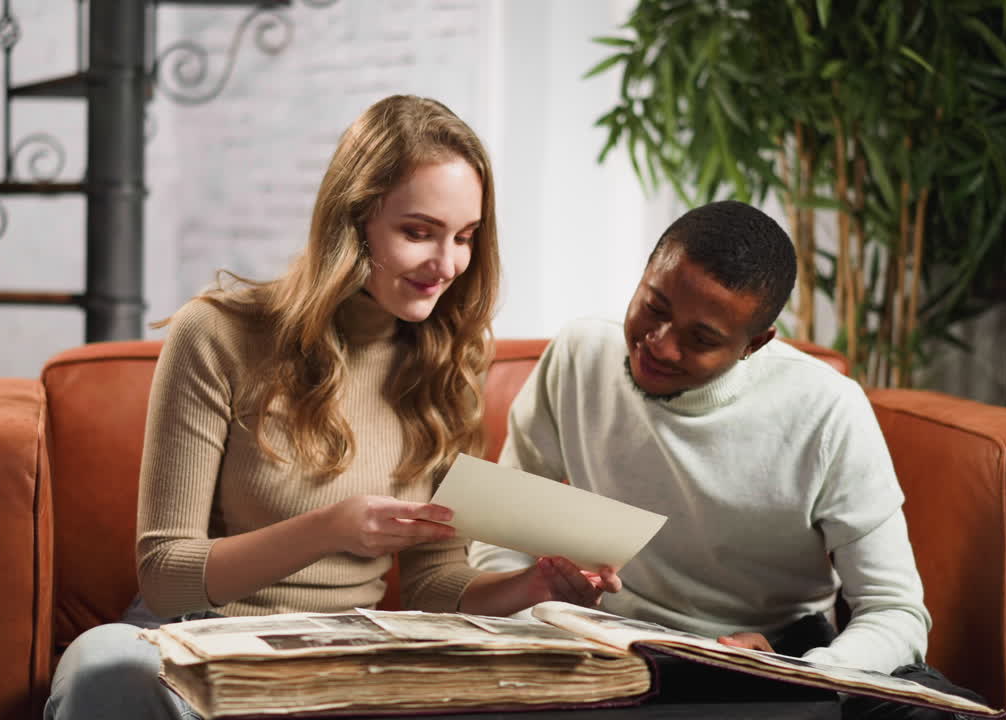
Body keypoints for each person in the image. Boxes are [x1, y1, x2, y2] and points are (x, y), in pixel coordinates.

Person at [45, 95, 618, 720]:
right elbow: (164, 573)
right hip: (197, 639)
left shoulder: (451, 358)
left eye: (465, 237)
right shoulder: (216, 335)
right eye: (418, 232)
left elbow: (432, 581)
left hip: (343, 658)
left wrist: (529, 586)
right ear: (353, 221)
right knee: (102, 665)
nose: (447, 264)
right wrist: (333, 527)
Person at [468, 200, 986, 719]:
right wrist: (539, 620)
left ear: (753, 345)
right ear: (645, 275)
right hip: (620, 653)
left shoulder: (828, 410)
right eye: (655, 306)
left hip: (784, 657)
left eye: (702, 339)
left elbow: (893, 610)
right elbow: (500, 540)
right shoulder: (579, 355)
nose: (662, 346)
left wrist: (805, 675)